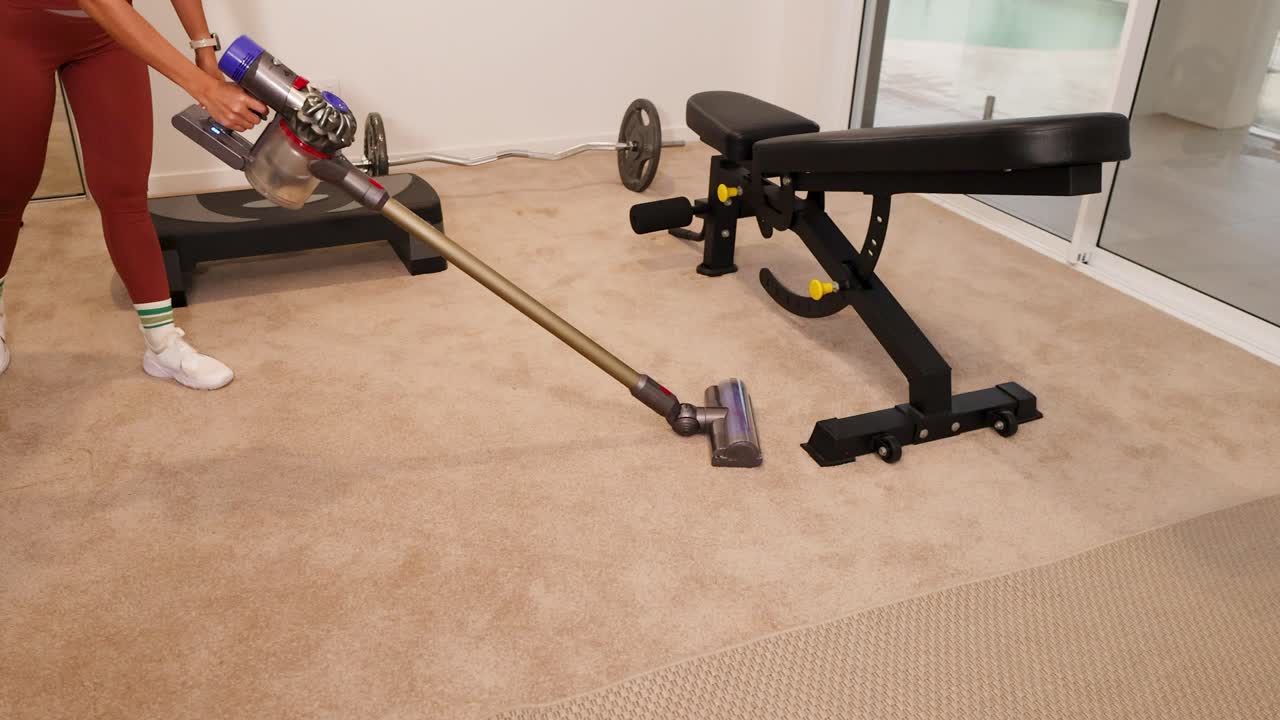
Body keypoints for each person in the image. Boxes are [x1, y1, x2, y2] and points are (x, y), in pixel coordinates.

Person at [0, 0, 266, 389]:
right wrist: (205, 88)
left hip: (105, 38)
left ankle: (163, 347)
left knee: (124, 193)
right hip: (16, 27)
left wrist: (204, 49)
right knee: (10, 189)